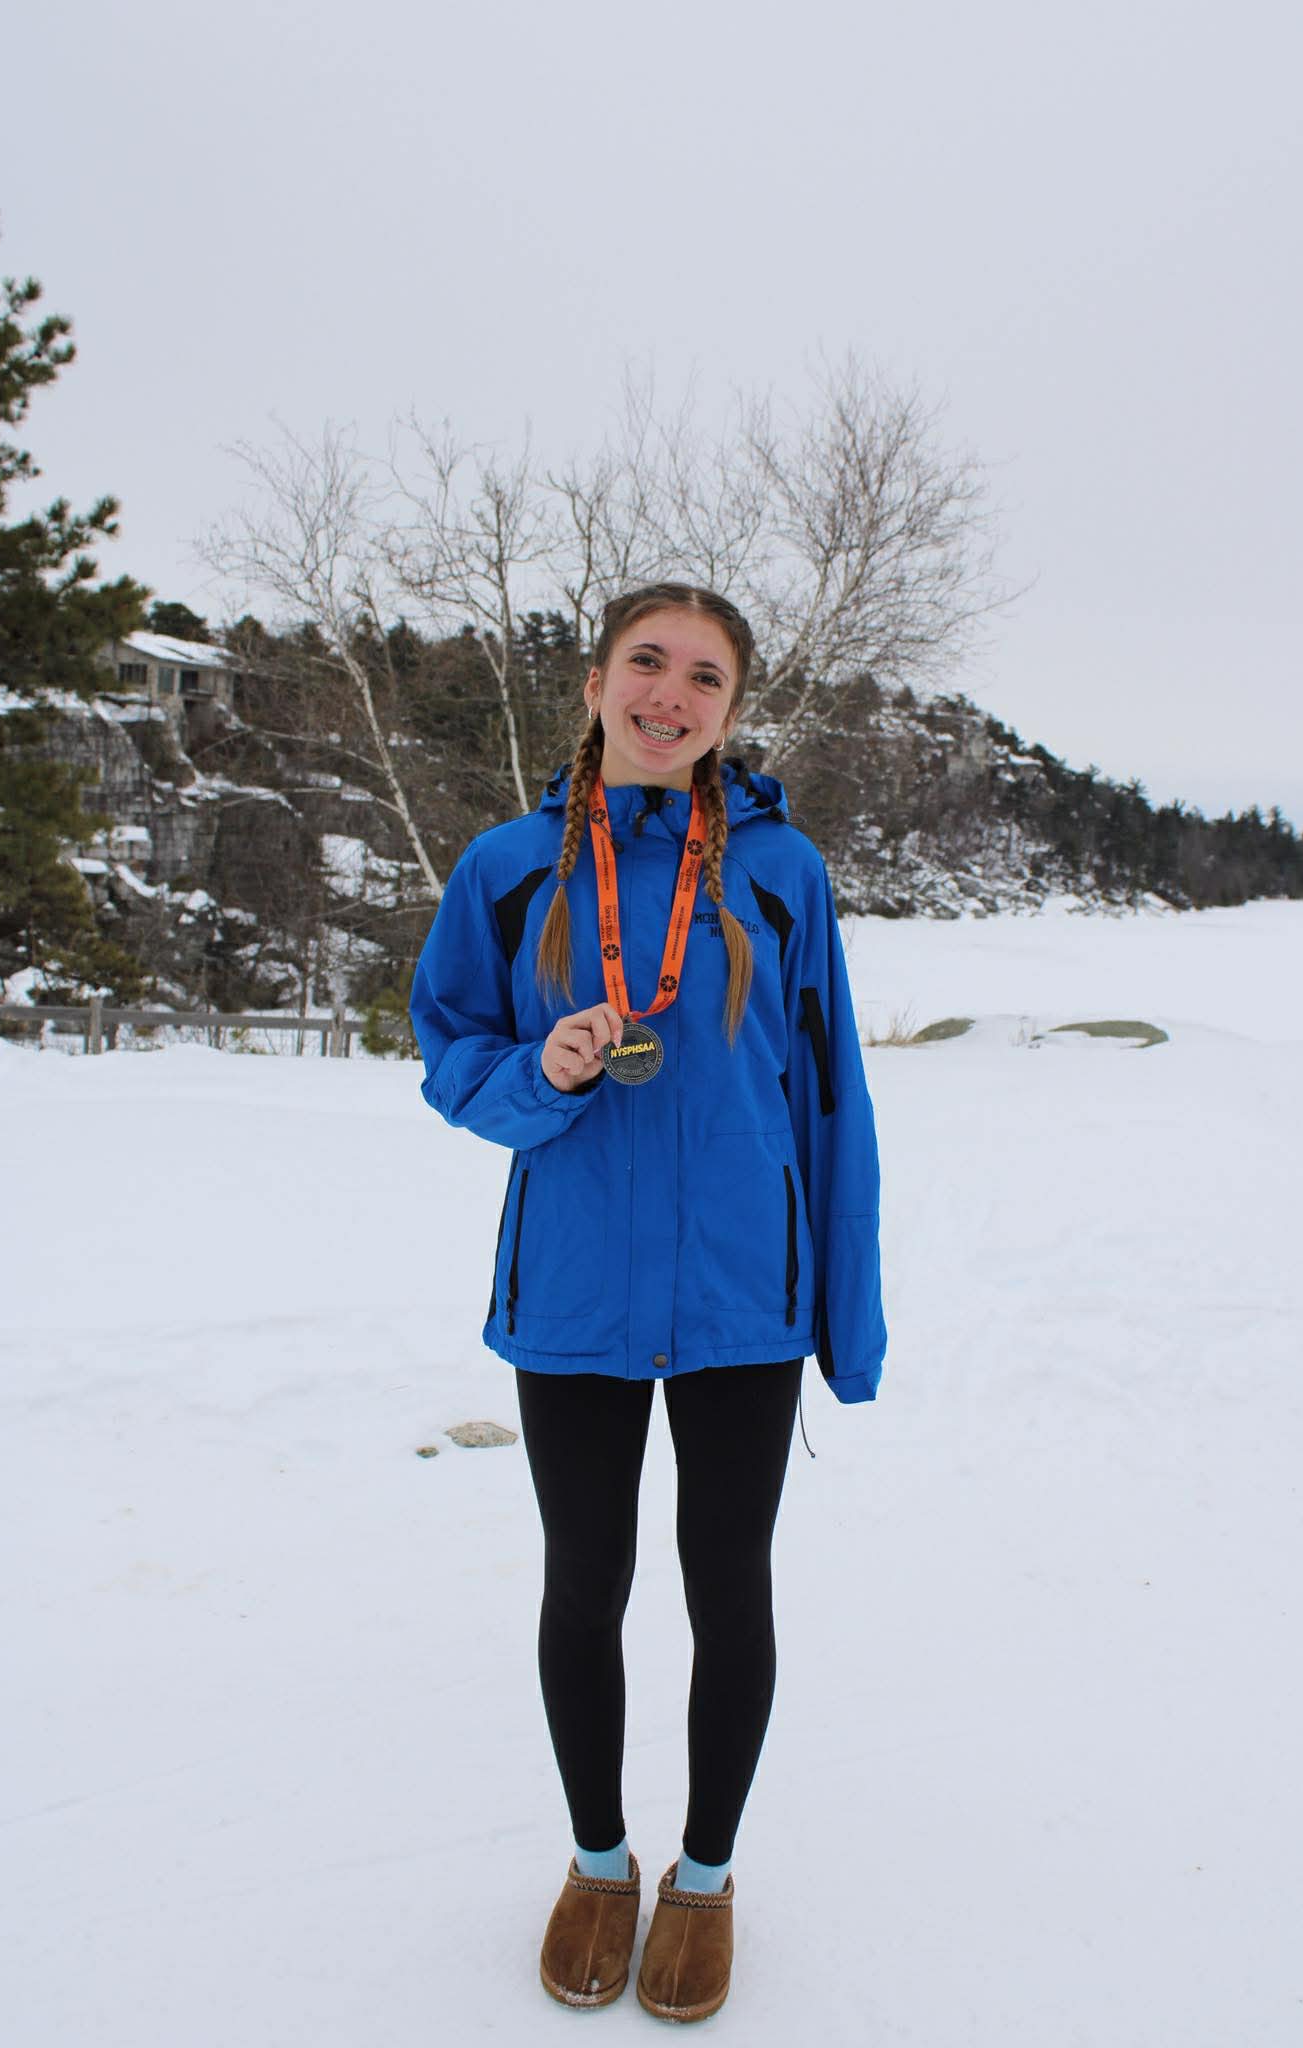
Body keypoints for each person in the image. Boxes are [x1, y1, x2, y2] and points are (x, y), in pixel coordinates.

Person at [409, 582, 886, 2022]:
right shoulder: (503, 864)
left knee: (727, 1589)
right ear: (597, 679)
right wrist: (533, 1074)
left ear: (733, 710)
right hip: (575, 1289)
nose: (669, 695)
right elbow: (446, 1049)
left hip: (747, 1290)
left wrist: (845, 1321)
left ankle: (704, 1879)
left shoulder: (780, 870)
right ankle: (600, 1861)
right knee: (584, 1586)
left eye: (704, 677)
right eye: (646, 663)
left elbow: (831, 1099)